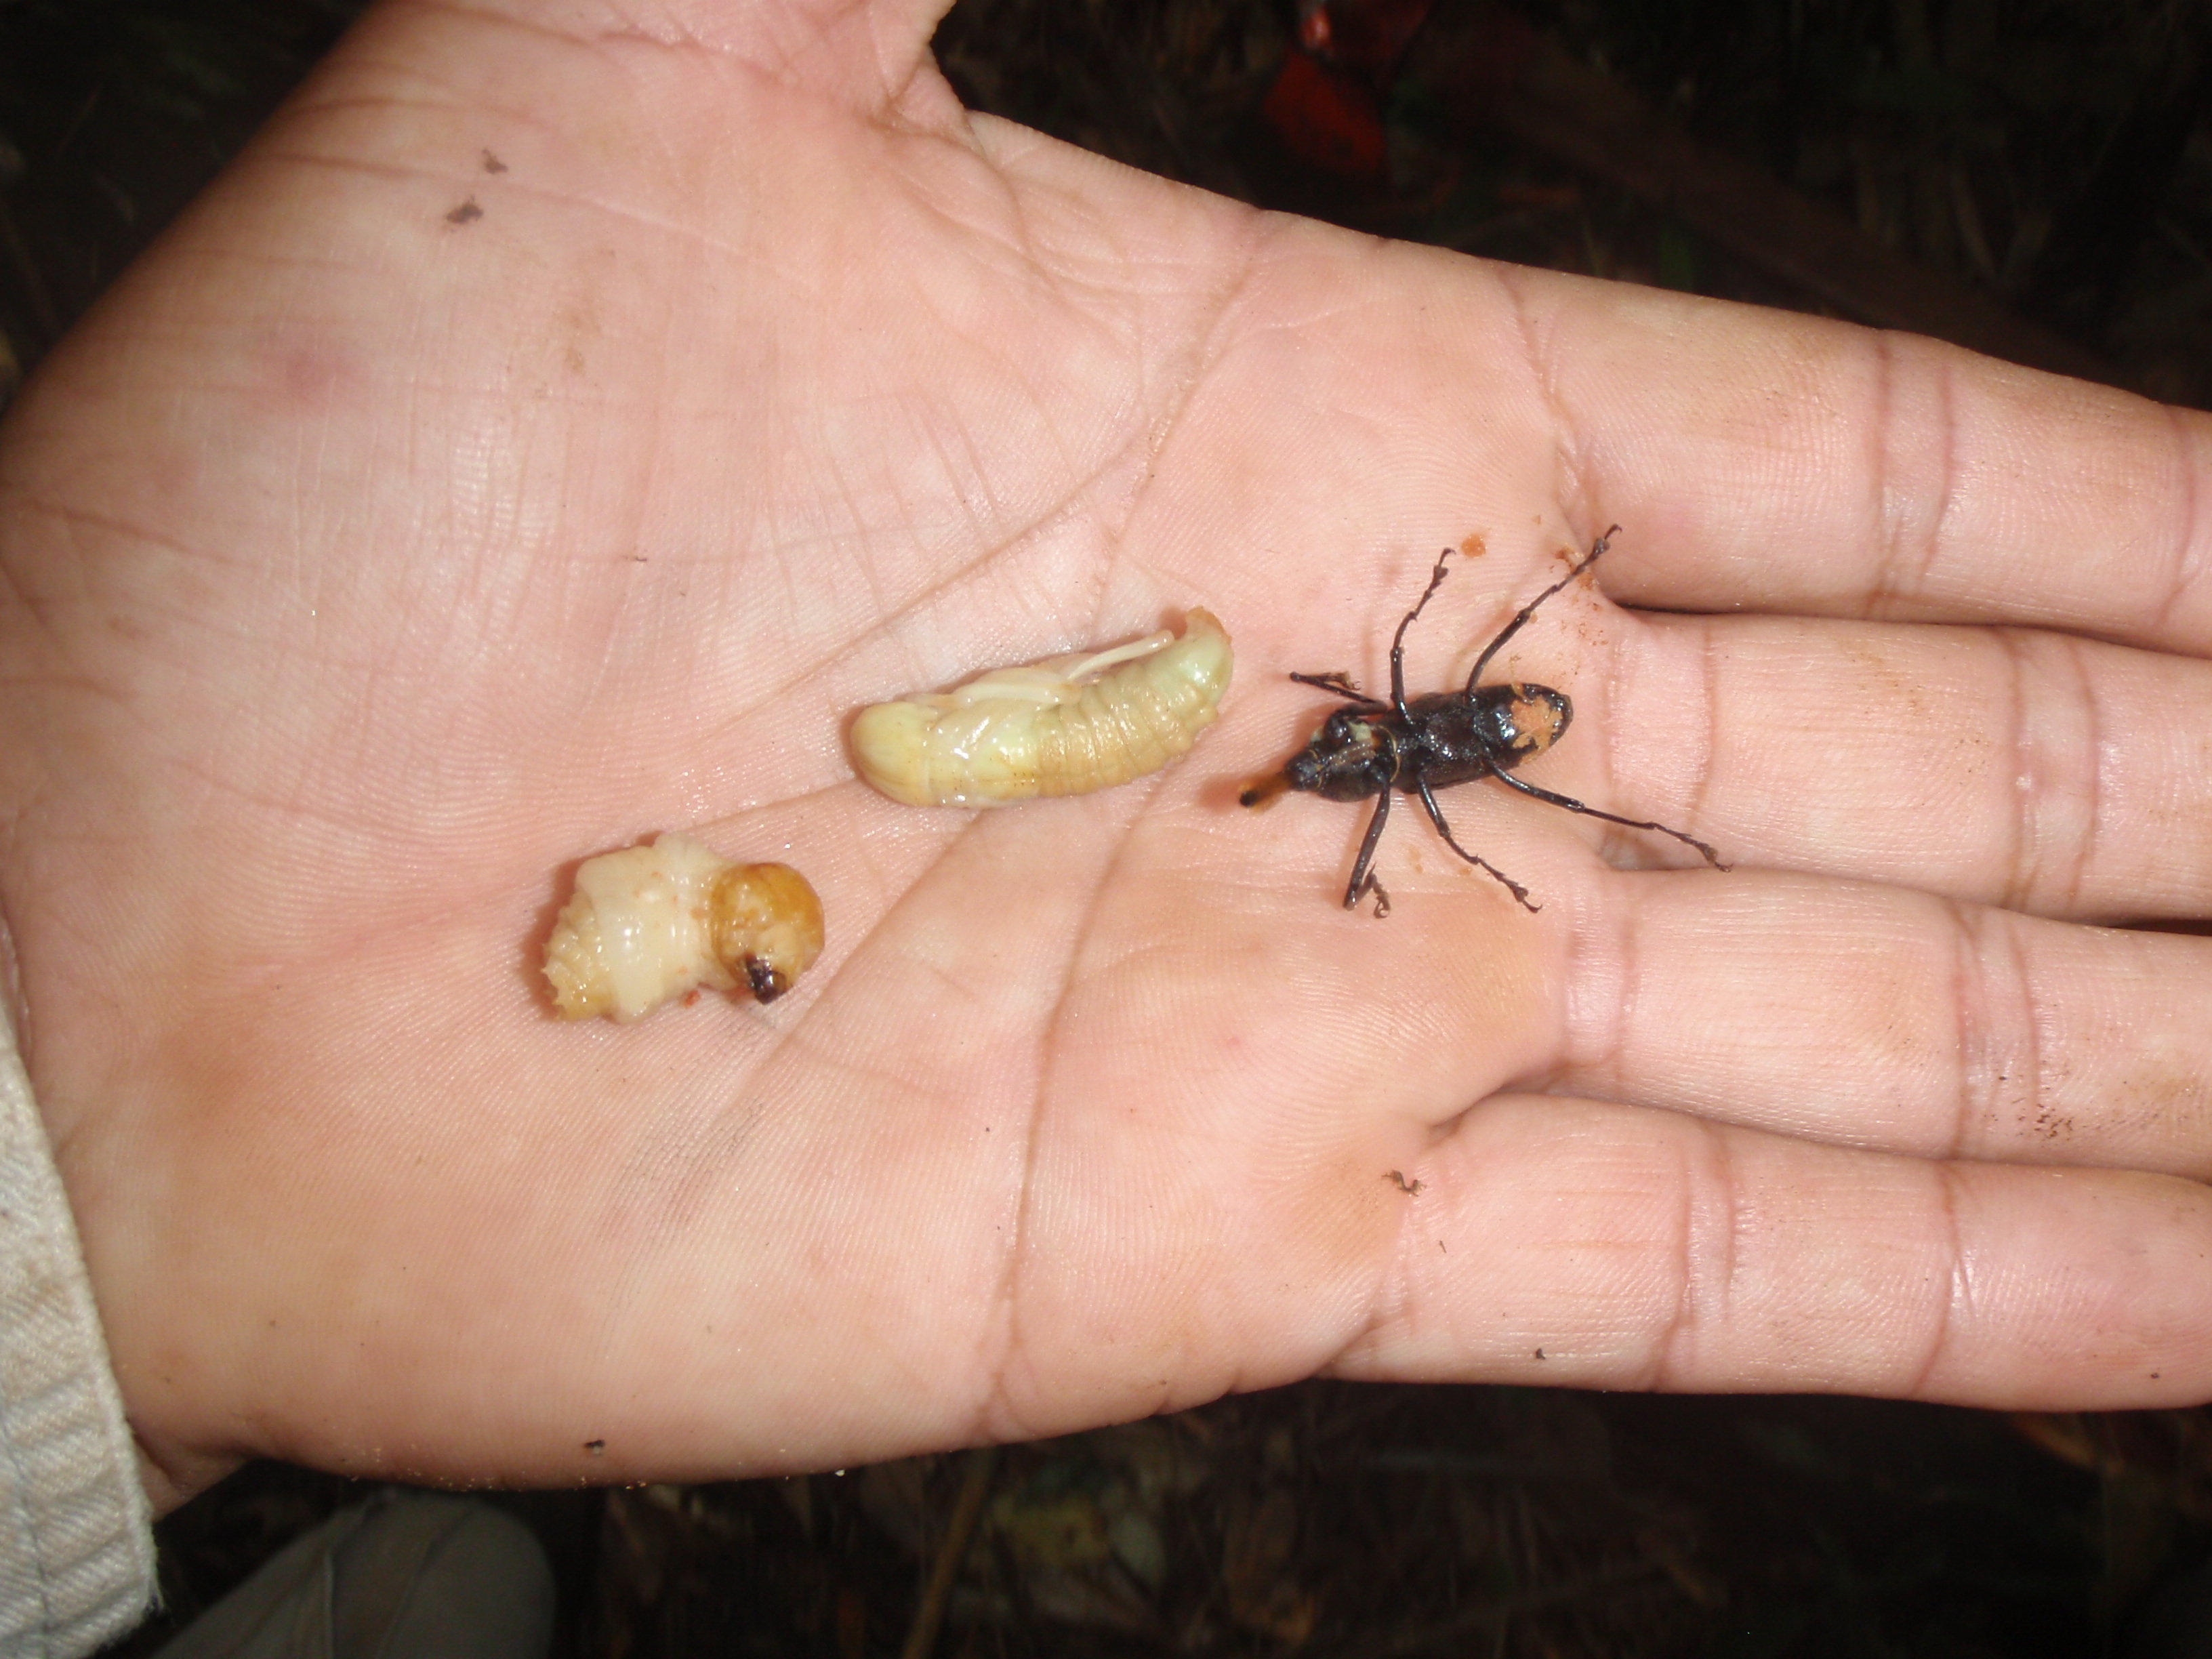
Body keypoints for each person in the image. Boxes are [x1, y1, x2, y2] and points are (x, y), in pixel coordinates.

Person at [3, 0, 2210, 1650]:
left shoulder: (1440, 751)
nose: (1344, 766)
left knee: (1499, 750)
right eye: (1339, 767)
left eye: (1346, 763)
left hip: (1498, 722)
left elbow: (1449, 733)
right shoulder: (1372, 755)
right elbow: (1368, 755)